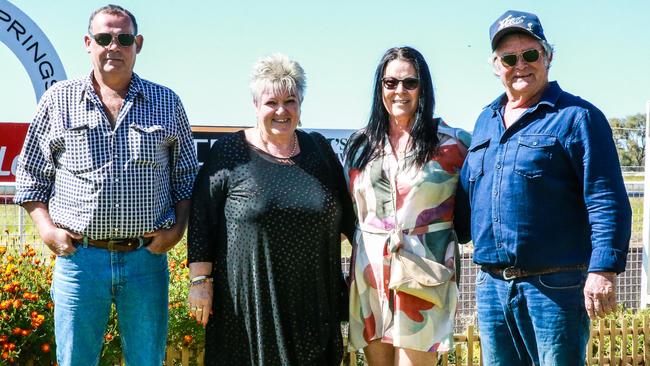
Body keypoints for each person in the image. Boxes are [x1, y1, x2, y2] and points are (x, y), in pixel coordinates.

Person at [14, 4, 198, 365]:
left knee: (147, 360)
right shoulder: (58, 101)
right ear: (88, 43)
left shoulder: (167, 103)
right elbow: (31, 177)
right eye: (103, 38)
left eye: (123, 38)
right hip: (80, 261)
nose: (113, 46)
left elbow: (186, 176)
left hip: (146, 260)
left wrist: (177, 231)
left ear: (138, 44)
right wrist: (47, 231)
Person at [457, 10, 632, 365]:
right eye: (509, 58)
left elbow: (606, 198)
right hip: (491, 287)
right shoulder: (484, 121)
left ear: (548, 57)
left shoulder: (577, 118)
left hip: (554, 288)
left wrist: (603, 270)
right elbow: (464, 197)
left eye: (530, 55)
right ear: (496, 66)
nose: (520, 65)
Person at [187, 53, 356, 365]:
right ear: (255, 106)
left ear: (301, 104)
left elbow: (352, 219)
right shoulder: (230, 151)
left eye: (290, 100)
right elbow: (202, 220)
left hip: (312, 305)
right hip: (247, 308)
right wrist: (200, 282)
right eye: (271, 102)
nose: (281, 110)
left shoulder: (319, 150)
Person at [344, 46, 471, 365]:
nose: (399, 90)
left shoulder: (453, 144)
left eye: (409, 82)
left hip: (423, 277)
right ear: (380, 88)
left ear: (423, 87)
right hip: (370, 276)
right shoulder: (360, 146)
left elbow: (470, 213)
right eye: (390, 83)